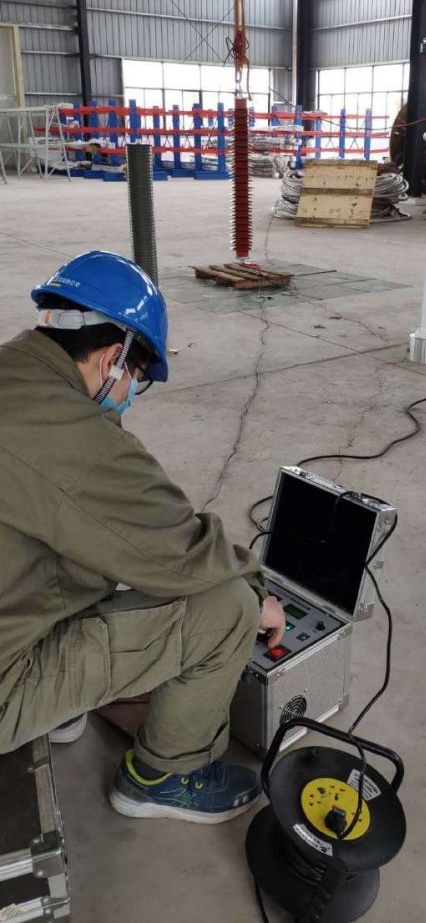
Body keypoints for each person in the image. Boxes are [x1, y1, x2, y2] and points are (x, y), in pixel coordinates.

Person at [0, 251, 285, 824]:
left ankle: (60, 710)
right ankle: (164, 777)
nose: (130, 391)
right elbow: (174, 547)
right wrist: (257, 589)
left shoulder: (14, 373)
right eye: (137, 376)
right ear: (113, 357)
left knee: (79, 549)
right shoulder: (66, 431)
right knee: (227, 604)